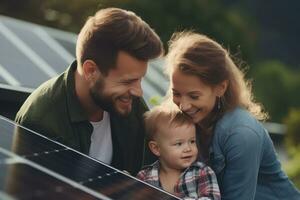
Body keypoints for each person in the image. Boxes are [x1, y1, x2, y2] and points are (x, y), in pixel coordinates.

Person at [15, 7, 163, 175]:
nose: (138, 91)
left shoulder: (130, 103)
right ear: (91, 71)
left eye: (140, 79)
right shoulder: (41, 122)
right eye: (128, 81)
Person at [164, 31, 300, 200]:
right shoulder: (181, 125)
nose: (183, 105)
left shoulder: (242, 134)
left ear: (221, 88)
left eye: (194, 96)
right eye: (176, 93)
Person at [137, 105, 220, 200]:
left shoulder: (201, 172)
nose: (188, 149)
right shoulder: (144, 177)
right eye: (179, 144)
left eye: (192, 141)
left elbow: (212, 198)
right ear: (156, 148)